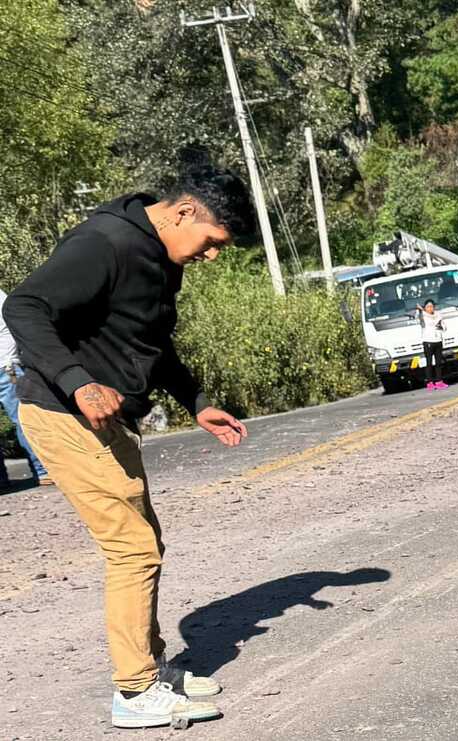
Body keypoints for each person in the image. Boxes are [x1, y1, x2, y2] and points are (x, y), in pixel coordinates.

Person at [2, 167, 255, 730]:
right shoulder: (105, 242)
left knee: (145, 541)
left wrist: (196, 400)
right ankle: (135, 692)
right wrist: (77, 381)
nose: (212, 256)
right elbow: (23, 308)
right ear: (185, 211)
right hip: (62, 410)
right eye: (212, 242)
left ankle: (151, 667)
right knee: (132, 548)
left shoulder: (162, 256)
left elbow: (149, 342)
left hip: (107, 417)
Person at [0, 289, 50, 488]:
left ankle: (41, 470)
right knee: (25, 420)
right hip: (7, 367)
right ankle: (42, 470)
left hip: (6, 368)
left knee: (25, 420)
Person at [417, 299, 448, 390]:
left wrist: (441, 327)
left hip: (438, 340)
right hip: (428, 341)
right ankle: (430, 383)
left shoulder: (438, 315)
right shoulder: (422, 315)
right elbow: (422, 317)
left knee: (438, 363)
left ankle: (439, 381)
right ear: (425, 308)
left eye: (431, 306)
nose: (430, 308)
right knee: (429, 362)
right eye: (428, 307)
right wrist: (421, 310)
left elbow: (444, 327)